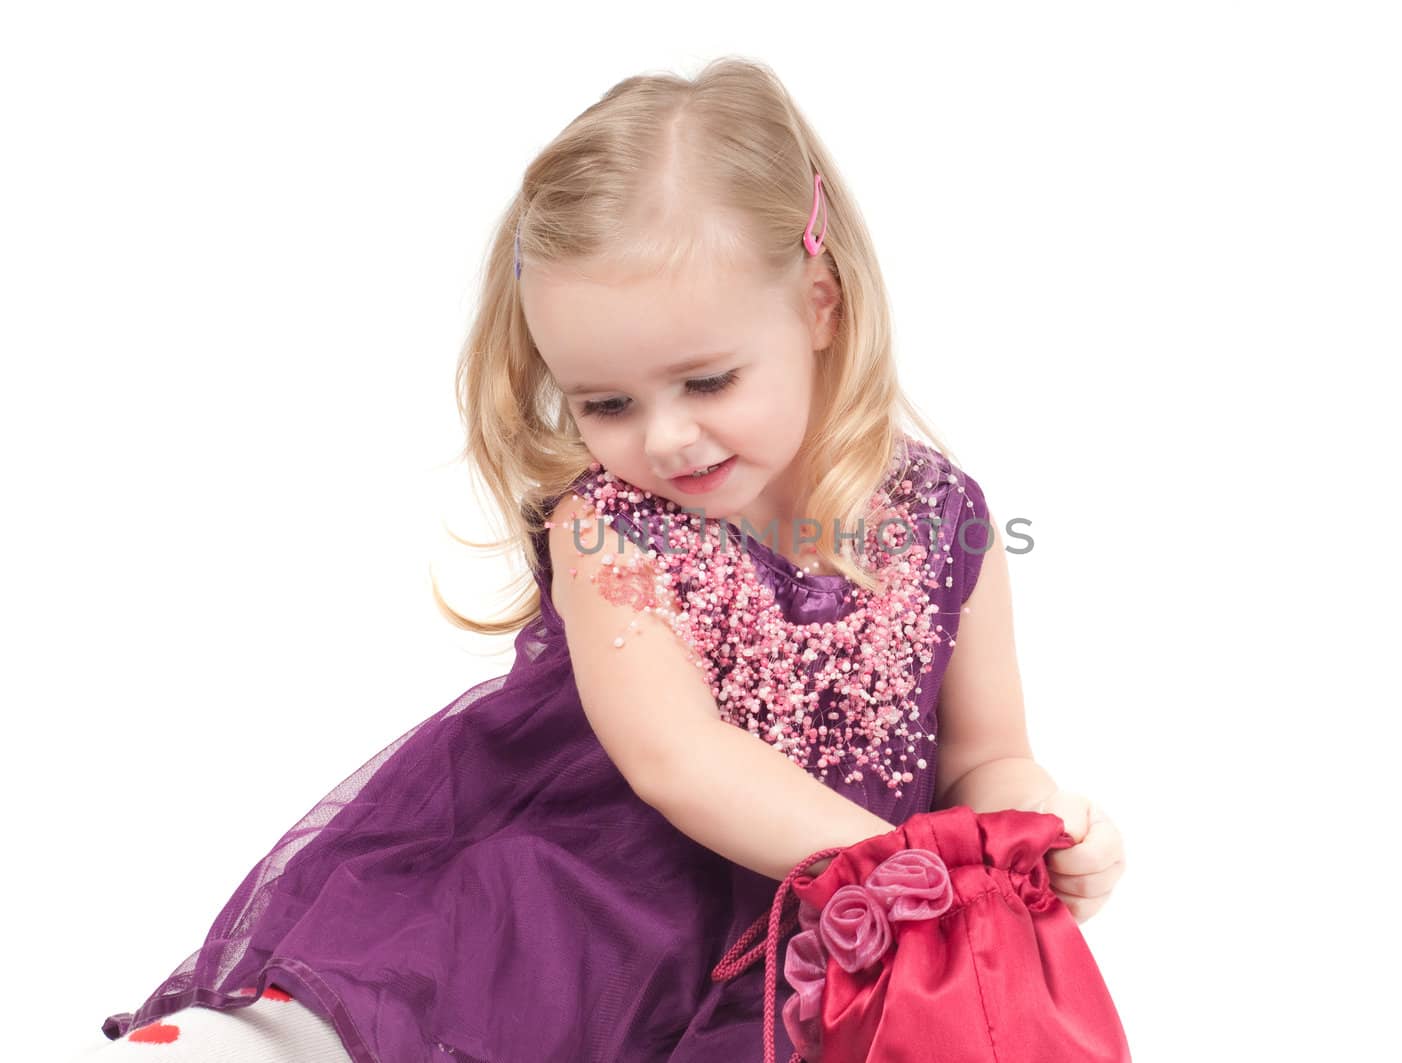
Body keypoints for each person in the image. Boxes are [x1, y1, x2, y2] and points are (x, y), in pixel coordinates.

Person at [85, 56, 1126, 1063]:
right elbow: (678, 757)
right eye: (608, 404)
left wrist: (1027, 827)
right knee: (425, 999)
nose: (667, 438)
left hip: (844, 928)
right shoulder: (610, 529)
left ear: (821, 306)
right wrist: (893, 865)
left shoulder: (942, 520)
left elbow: (985, 751)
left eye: (708, 380)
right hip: (604, 899)